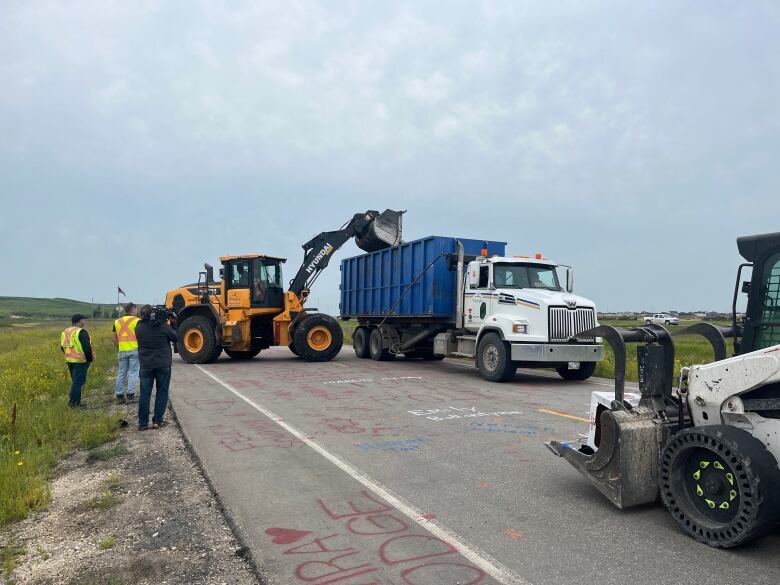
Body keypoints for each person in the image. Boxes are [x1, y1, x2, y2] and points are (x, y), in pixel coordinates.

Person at [135, 305, 178, 430]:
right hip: (162, 364)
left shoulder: (138, 328)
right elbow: (176, 338)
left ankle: (143, 423)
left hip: (145, 365)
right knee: (162, 392)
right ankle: (157, 421)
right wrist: (173, 324)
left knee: (145, 394)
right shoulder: (164, 327)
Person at [60, 314, 94, 407]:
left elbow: (62, 347)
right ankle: (73, 404)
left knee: (76, 382)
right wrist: (89, 359)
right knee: (78, 383)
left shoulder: (66, 331)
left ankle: (76, 402)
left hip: (70, 360)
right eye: (83, 319)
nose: (84, 321)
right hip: (80, 361)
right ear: (79, 321)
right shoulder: (81, 332)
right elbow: (87, 348)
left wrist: (68, 356)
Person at [112, 302, 140, 402]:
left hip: (122, 350)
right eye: (136, 309)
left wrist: (118, 347)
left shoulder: (117, 322)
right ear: (133, 309)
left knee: (121, 372)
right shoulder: (137, 321)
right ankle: (130, 394)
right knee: (133, 372)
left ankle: (119, 395)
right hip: (134, 350)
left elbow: (114, 337)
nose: (137, 311)